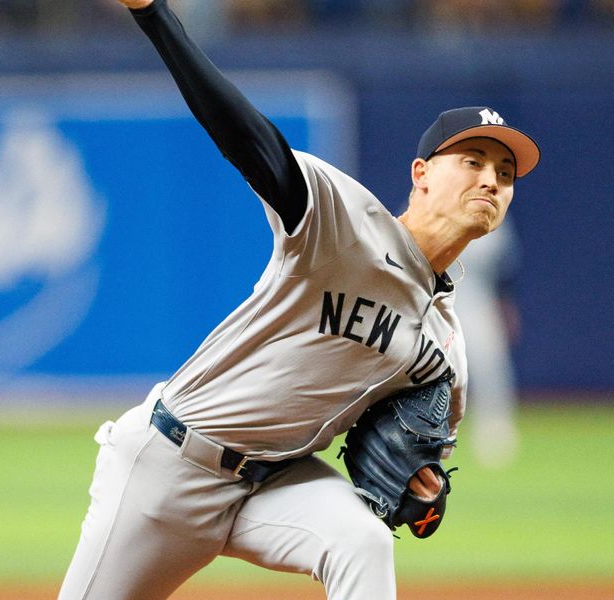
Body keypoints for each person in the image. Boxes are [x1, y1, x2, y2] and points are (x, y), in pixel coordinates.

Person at [58, 1, 540, 599]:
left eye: (506, 172)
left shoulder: (445, 344)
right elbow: (242, 133)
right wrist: (154, 14)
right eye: (473, 161)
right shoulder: (342, 224)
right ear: (420, 174)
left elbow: (419, 458)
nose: (491, 180)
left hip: (274, 484)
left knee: (361, 541)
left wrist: (423, 491)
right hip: (170, 465)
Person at [453, 218, 523, 467]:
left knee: (490, 369)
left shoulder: (492, 214)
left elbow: (504, 270)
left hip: (479, 301)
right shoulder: (421, 205)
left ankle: (495, 434)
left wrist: (505, 304)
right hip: (437, 300)